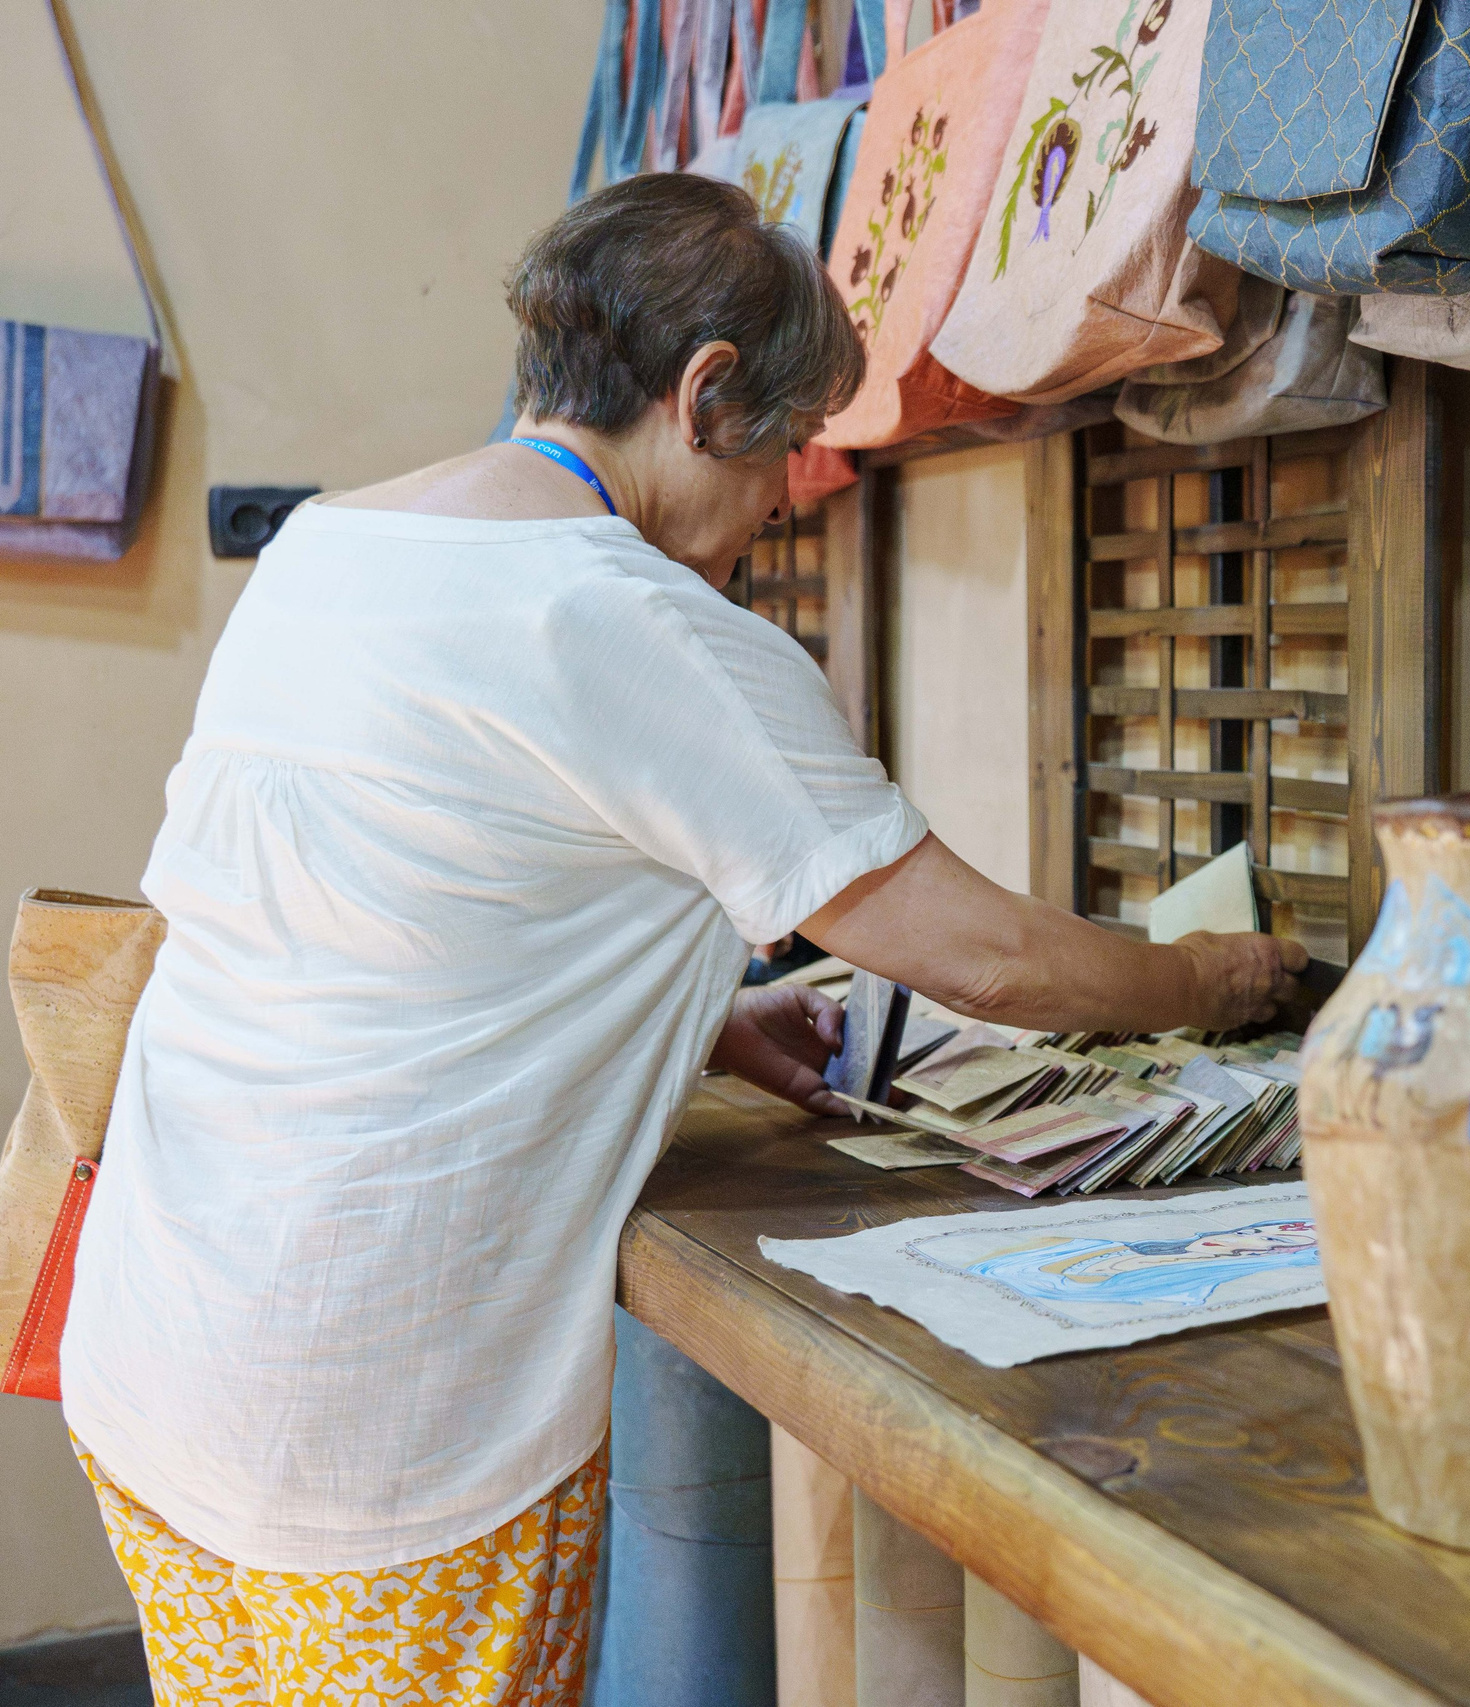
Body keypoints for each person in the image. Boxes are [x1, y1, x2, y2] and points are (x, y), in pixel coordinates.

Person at [58, 173, 1302, 1707]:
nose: (783, 497)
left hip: (161, 1346)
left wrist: (706, 1023)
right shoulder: (632, 619)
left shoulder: (335, 545)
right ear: (706, 396)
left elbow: (381, 902)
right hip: (371, 1422)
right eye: (787, 448)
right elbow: (987, 961)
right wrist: (1215, 975)